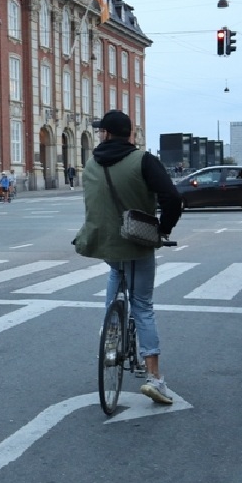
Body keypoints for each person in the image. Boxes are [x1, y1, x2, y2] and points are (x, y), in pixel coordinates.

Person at [73, 110, 183, 405]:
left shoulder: (91, 163)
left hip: (104, 243)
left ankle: (110, 340)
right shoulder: (144, 160)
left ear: (107, 134)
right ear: (129, 134)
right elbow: (172, 199)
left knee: (115, 280)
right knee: (142, 306)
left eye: (100, 131)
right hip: (136, 241)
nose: (98, 135)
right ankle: (154, 379)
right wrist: (162, 229)